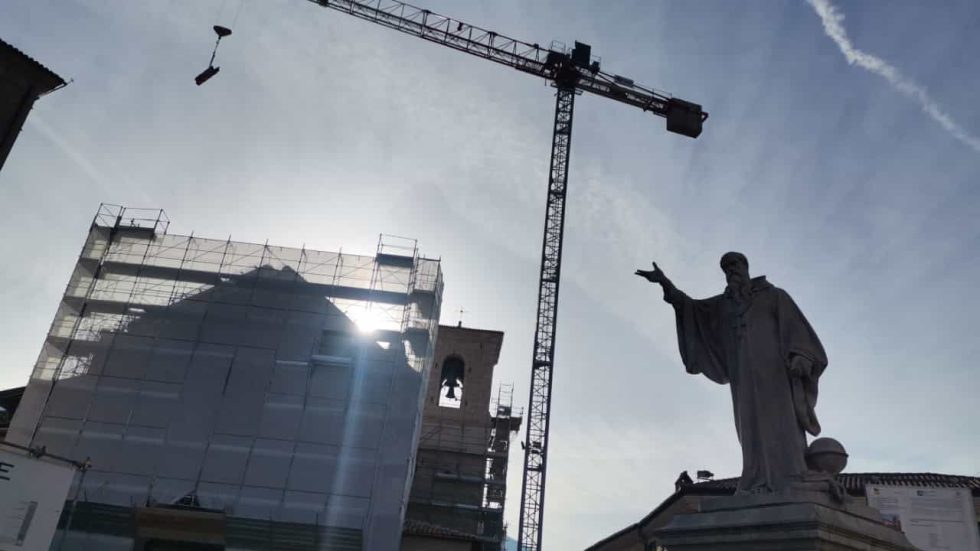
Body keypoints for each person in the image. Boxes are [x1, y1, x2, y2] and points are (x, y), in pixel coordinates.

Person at [636, 252, 827, 493]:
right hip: (743, 378)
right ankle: (757, 479)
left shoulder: (774, 296)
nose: (731, 270)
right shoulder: (723, 305)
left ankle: (790, 475)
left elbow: (797, 328)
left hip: (775, 373)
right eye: (725, 267)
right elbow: (691, 308)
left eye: (735, 264)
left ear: (746, 266)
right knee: (749, 428)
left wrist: (802, 355)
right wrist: (665, 283)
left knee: (782, 423)